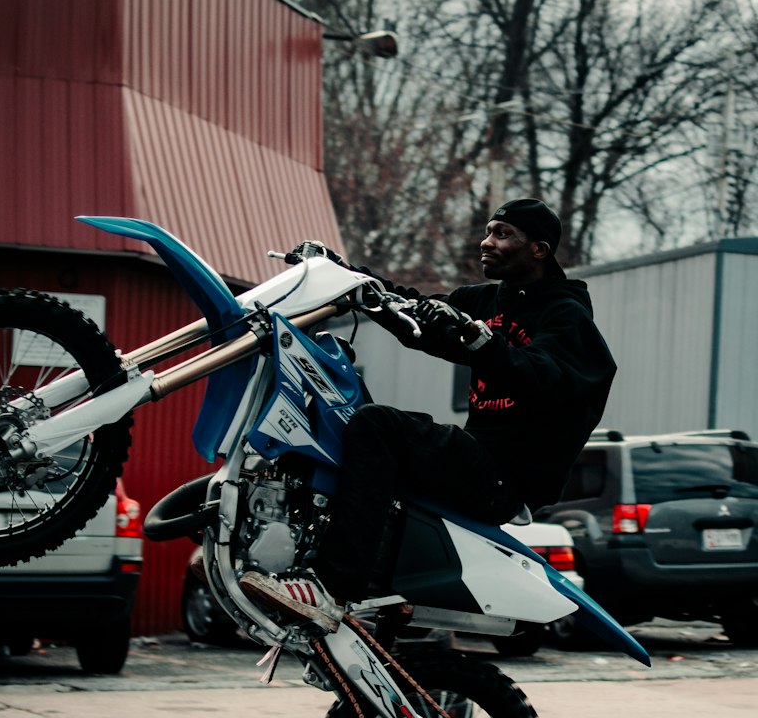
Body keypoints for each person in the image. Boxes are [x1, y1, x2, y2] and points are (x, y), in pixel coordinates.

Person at [241, 198, 617, 632]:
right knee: (339, 418)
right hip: (477, 459)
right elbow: (414, 307)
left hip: (504, 477)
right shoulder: (487, 300)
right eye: (488, 230)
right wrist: (345, 275)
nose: (486, 241)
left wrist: (482, 342)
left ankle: (331, 589)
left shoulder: (566, 316)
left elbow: (551, 377)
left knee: (378, 424)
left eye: (503, 234)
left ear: (539, 249)